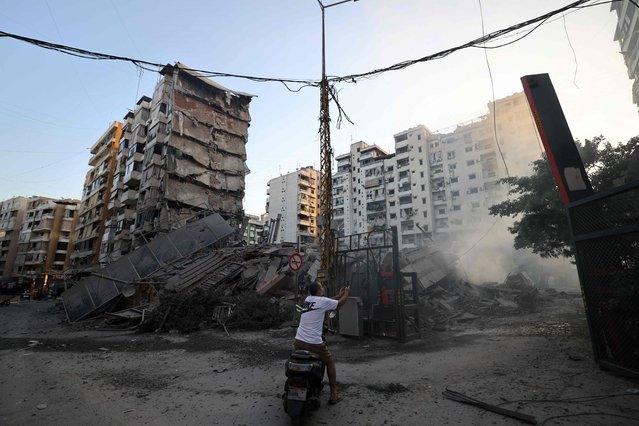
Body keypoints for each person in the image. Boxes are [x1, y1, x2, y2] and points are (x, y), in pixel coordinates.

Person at [294, 282, 350, 405]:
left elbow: (328, 300)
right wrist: (345, 294)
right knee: (329, 360)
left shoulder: (308, 299)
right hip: (313, 342)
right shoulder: (322, 301)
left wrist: (339, 294)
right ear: (319, 290)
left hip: (298, 341)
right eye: (321, 286)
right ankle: (334, 394)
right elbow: (339, 303)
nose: (323, 287)